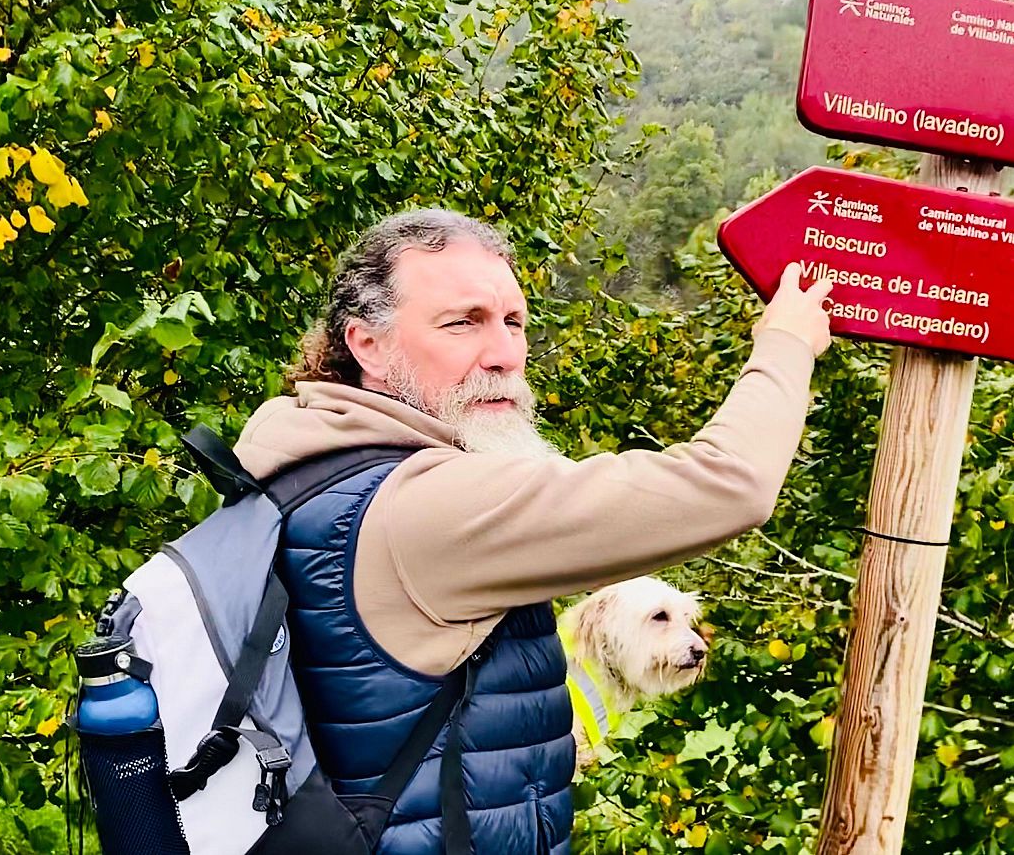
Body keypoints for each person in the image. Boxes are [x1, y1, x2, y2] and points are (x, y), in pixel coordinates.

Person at [232, 208, 831, 855]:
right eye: (463, 322)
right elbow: (727, 484)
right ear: (366, 344)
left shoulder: (319, 463)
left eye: (514, 322)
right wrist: (786, 344)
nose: (505, 355)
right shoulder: (426, 504)